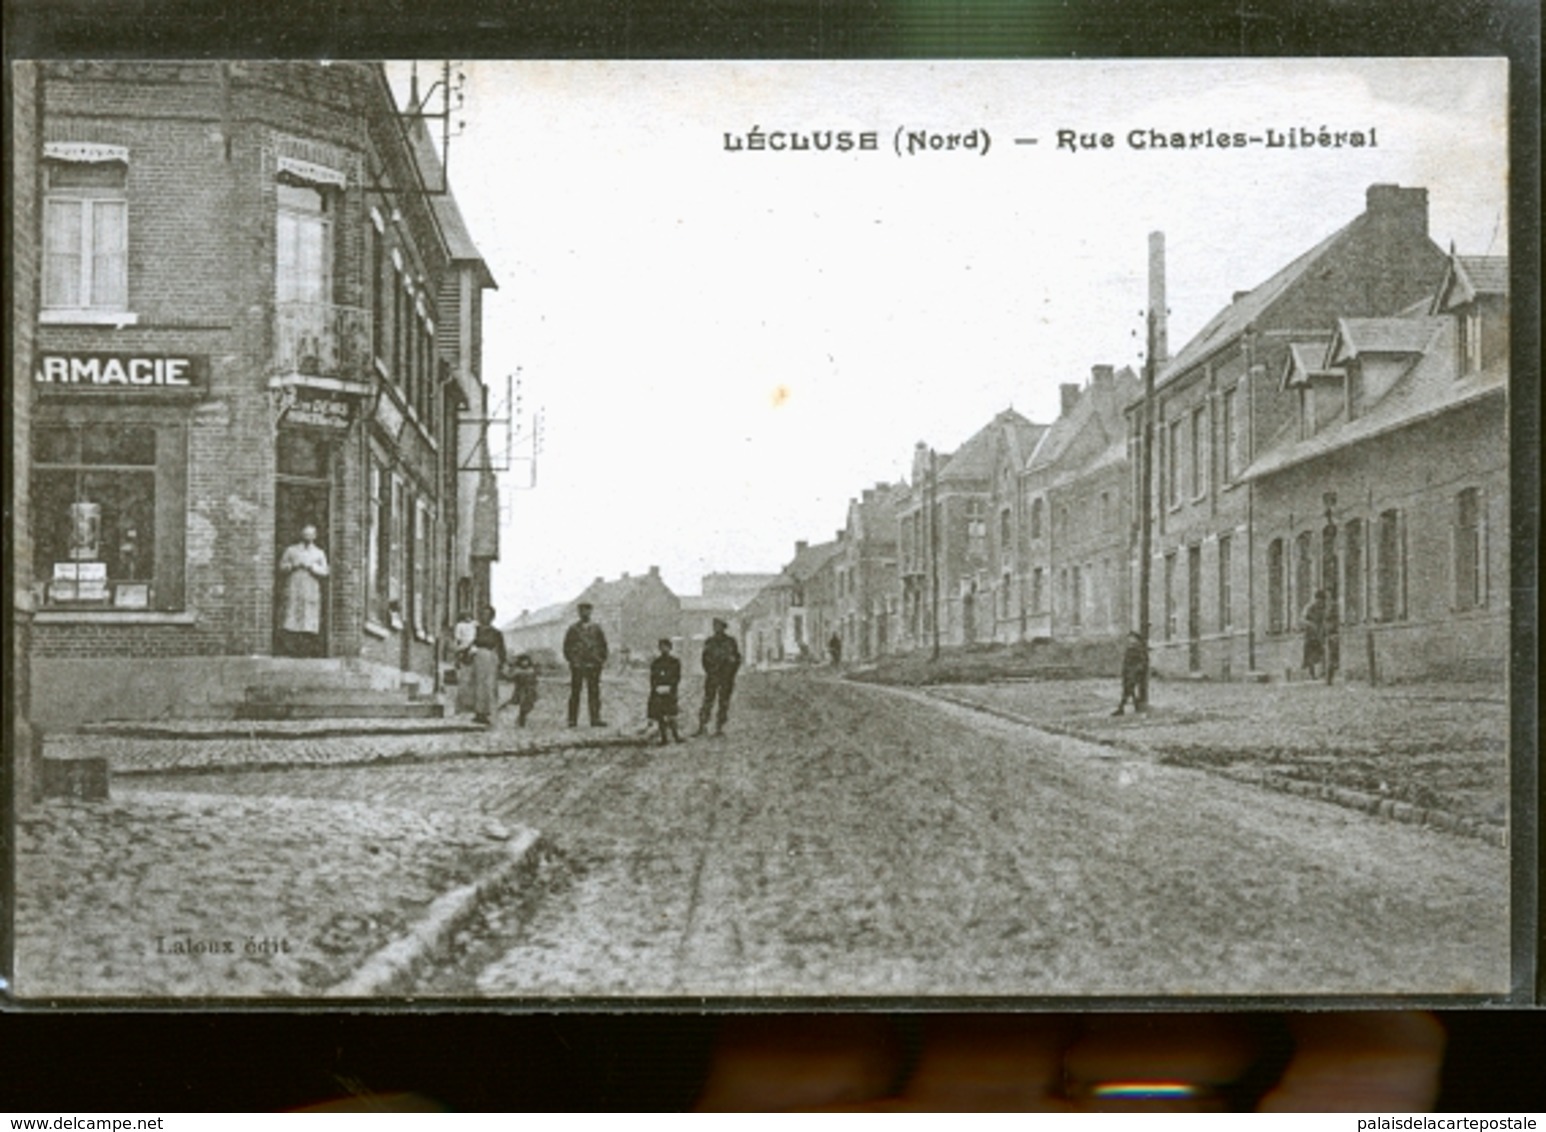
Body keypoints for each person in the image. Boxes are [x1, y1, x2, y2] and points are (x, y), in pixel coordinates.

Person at [277, 523, 329, 657]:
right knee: (292, 616)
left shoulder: (319, 553)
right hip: (294, 585)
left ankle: (306, 649)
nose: (308, 537)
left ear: (315, 536)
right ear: (301, 535)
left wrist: (313, 568)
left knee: (309, 618)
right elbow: (281, 566)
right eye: (305, 534)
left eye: (310, 534)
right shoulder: (291, 550)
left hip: (310, 587)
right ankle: (291, 649)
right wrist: (292, 565)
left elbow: (325, 571)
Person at [564, 601, 609, 727]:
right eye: (582, 610)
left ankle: (595, 719)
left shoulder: (597, 629)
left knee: (594, 692)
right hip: (578, 666)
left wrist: (600, 660)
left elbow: (603, 646)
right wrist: (573, 661)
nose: (584, 613)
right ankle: (572, 720)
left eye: (587, 610)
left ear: (591, 612)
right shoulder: (573, 629)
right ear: (578, 612)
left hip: (594, 665)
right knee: (575, 692)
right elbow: (567, 647)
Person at [696, 618, 743, 737]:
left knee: (723, 702)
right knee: (707, 701)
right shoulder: (709, 642)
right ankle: (702, 726)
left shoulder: (731, 642)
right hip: (712, 676)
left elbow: (737, 659)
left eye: (719, 626)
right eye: (715, 626)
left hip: (726, 677)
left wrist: (731, 673)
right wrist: (710, 671)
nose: (716, 628)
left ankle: (719, 727)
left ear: (723, 627)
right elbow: (704, 659)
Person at [469, 606, 507, 726]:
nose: (485, 617)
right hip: (476, 658)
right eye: (483, 614)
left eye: (488, 615)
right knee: (476, 685)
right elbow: (468, 642)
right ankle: (477, 712)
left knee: (488, 686)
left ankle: (485, 713)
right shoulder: (474, 630)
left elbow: (501, 649)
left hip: (490, 659)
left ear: (492, 617)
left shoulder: (496, 633)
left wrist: (502, 662)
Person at [647, 639, 684, 745]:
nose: (664, 649)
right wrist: (656, 687)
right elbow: (653, 677)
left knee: (671, 714)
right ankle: (664, 738)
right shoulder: (656, 662)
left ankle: (676, 735)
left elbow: (676, 677)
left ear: (670, 648)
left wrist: (670, 686)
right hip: (658, 691)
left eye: (666, 647)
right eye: (662, 647)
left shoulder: (675, 662)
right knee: (660, 715)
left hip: (670, 691)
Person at [1112, 630, 1148, 715]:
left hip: (1133, 673)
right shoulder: (1130, 649)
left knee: (1127, 691)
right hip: (1128, 672)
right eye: (1130, 638)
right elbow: (1126, 661)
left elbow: (1142, 662)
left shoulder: (1139, 649)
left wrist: (1137, 671)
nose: (1130, 640)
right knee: (1129, 691)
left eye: (1132, 638)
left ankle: (1121, 708)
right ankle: (1136, 706)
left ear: (1136, 639)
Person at [452, 609, 478, 714]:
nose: (468, 618)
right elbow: (458, 639)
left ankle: (472, 705)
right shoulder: (460, 626)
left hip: (473, 651)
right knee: (464, 681)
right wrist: (459, 653)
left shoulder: (475, 625)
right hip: (463, 650)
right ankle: (462, 706)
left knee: (473, 681)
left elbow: (477, 636)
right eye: (465, 616)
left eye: (469, 616)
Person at [505, 652, 538, 727]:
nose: (524, 663)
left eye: (526, 661)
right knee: (522, 705)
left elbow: (534, 679)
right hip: (521, 690)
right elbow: (509, 676)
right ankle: (521, 721)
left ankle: (522, 718)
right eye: (523, 661)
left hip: (530, 690)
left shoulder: (531, 670)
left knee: (529, 705)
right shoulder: (517, 670)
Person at [1302, 589, 1328, 680]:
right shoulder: (1309, 607)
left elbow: (1325, 619)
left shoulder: (1324, 608)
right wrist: (1310, 624)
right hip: (1310, 634)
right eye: (1319, 600)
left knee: (1322, 652)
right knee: (1310, 654)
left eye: (1322, 601)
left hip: (1320, 633)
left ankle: (1323, 672)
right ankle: (1312, 674)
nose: (1320, 603)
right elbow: (1302, 619)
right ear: (1316, 599)